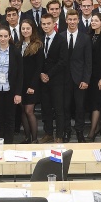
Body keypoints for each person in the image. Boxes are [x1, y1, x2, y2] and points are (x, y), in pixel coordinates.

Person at [38, 13, 68, 143]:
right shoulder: (39, 40)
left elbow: (63, 61)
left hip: (57, 80)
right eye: (43, 24)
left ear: (54, 24)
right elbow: (38, 61)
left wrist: (49, 75)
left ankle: (59, 135)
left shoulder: (61, 40)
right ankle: (48, 133)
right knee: (46, 108)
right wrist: (41, 74)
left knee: (58, 108)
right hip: (43, 81)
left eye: (48, 23)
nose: (46, 26)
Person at [63, 10, 92, 142]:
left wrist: (86, 79)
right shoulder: (60, 36)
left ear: (78, 20)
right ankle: (66, 131)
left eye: (75, 19)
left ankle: (80, 131)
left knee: (80, 107)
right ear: (66, 20)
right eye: (70, 19)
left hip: (80, 78)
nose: (72, 22)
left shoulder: (85, 38)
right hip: (64, 79)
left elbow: (88, 61)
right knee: (65, 106)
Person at [18, 19, 43, 143]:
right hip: (20, 84)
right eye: (23, 28)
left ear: (32, 29)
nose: (25, 31)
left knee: (29, 111)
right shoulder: (18, 45)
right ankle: (27, 137)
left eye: (28, 28)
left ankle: (34, 139)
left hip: (32, 84)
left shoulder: (37, 45)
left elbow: (39, 67)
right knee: (23, 110)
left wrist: (32, 85)